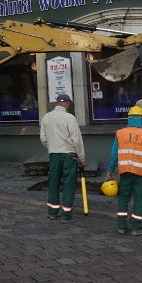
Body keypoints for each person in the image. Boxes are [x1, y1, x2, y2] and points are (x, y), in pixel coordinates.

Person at [106, 105, 142, 235]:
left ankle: (121, 226)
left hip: (125, 172)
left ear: (129, 118)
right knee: (139, 199)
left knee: (123, 197)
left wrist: (111, 170)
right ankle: (136, 227)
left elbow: (114, 154)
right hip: (141, 173)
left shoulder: (120, 133)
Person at [40, 93, 85, 223]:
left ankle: (52, 212)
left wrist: (51, 147)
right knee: (68, 184)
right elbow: (77, 139)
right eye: (68, 103)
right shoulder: (69, 118)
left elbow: (43, 138)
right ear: (66, 103)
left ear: (57, 103)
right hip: (69, 155)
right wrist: (81, 157)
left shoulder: (46, 117)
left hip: (54, 154)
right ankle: (66, 214)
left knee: (53, 182)